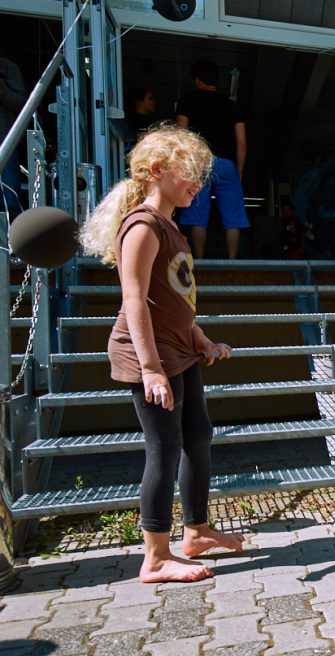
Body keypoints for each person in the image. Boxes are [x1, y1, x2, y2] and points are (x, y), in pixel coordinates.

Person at [79, 124, 244, 583]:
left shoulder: (171, 226)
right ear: (156, 171)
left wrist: (203, 341)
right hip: (148, 356)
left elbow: (175, 301)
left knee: (198, 437)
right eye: (190, 173)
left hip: (178, 351)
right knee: (165, 448)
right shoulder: (143, 225)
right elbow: (134, 300)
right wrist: (150, 370)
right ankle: (154, 556)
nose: (198, 183)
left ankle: (197, 532)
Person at [175, 59, 249, 259]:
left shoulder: (187, 100)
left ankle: (199, 260)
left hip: (198, 162)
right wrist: (239, 171)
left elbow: (181, 136)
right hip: (226, 164)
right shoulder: (232, 106)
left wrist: (183, 166)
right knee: (233, 217)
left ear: (198, 80)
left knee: (198, 215)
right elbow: (241, 143)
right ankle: (232, 261)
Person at [0, 49, 27, 221]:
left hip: (5, 144)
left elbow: (24, 105)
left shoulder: (7, 67)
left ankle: (11, 245)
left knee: (10, 200)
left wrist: (2, 90)